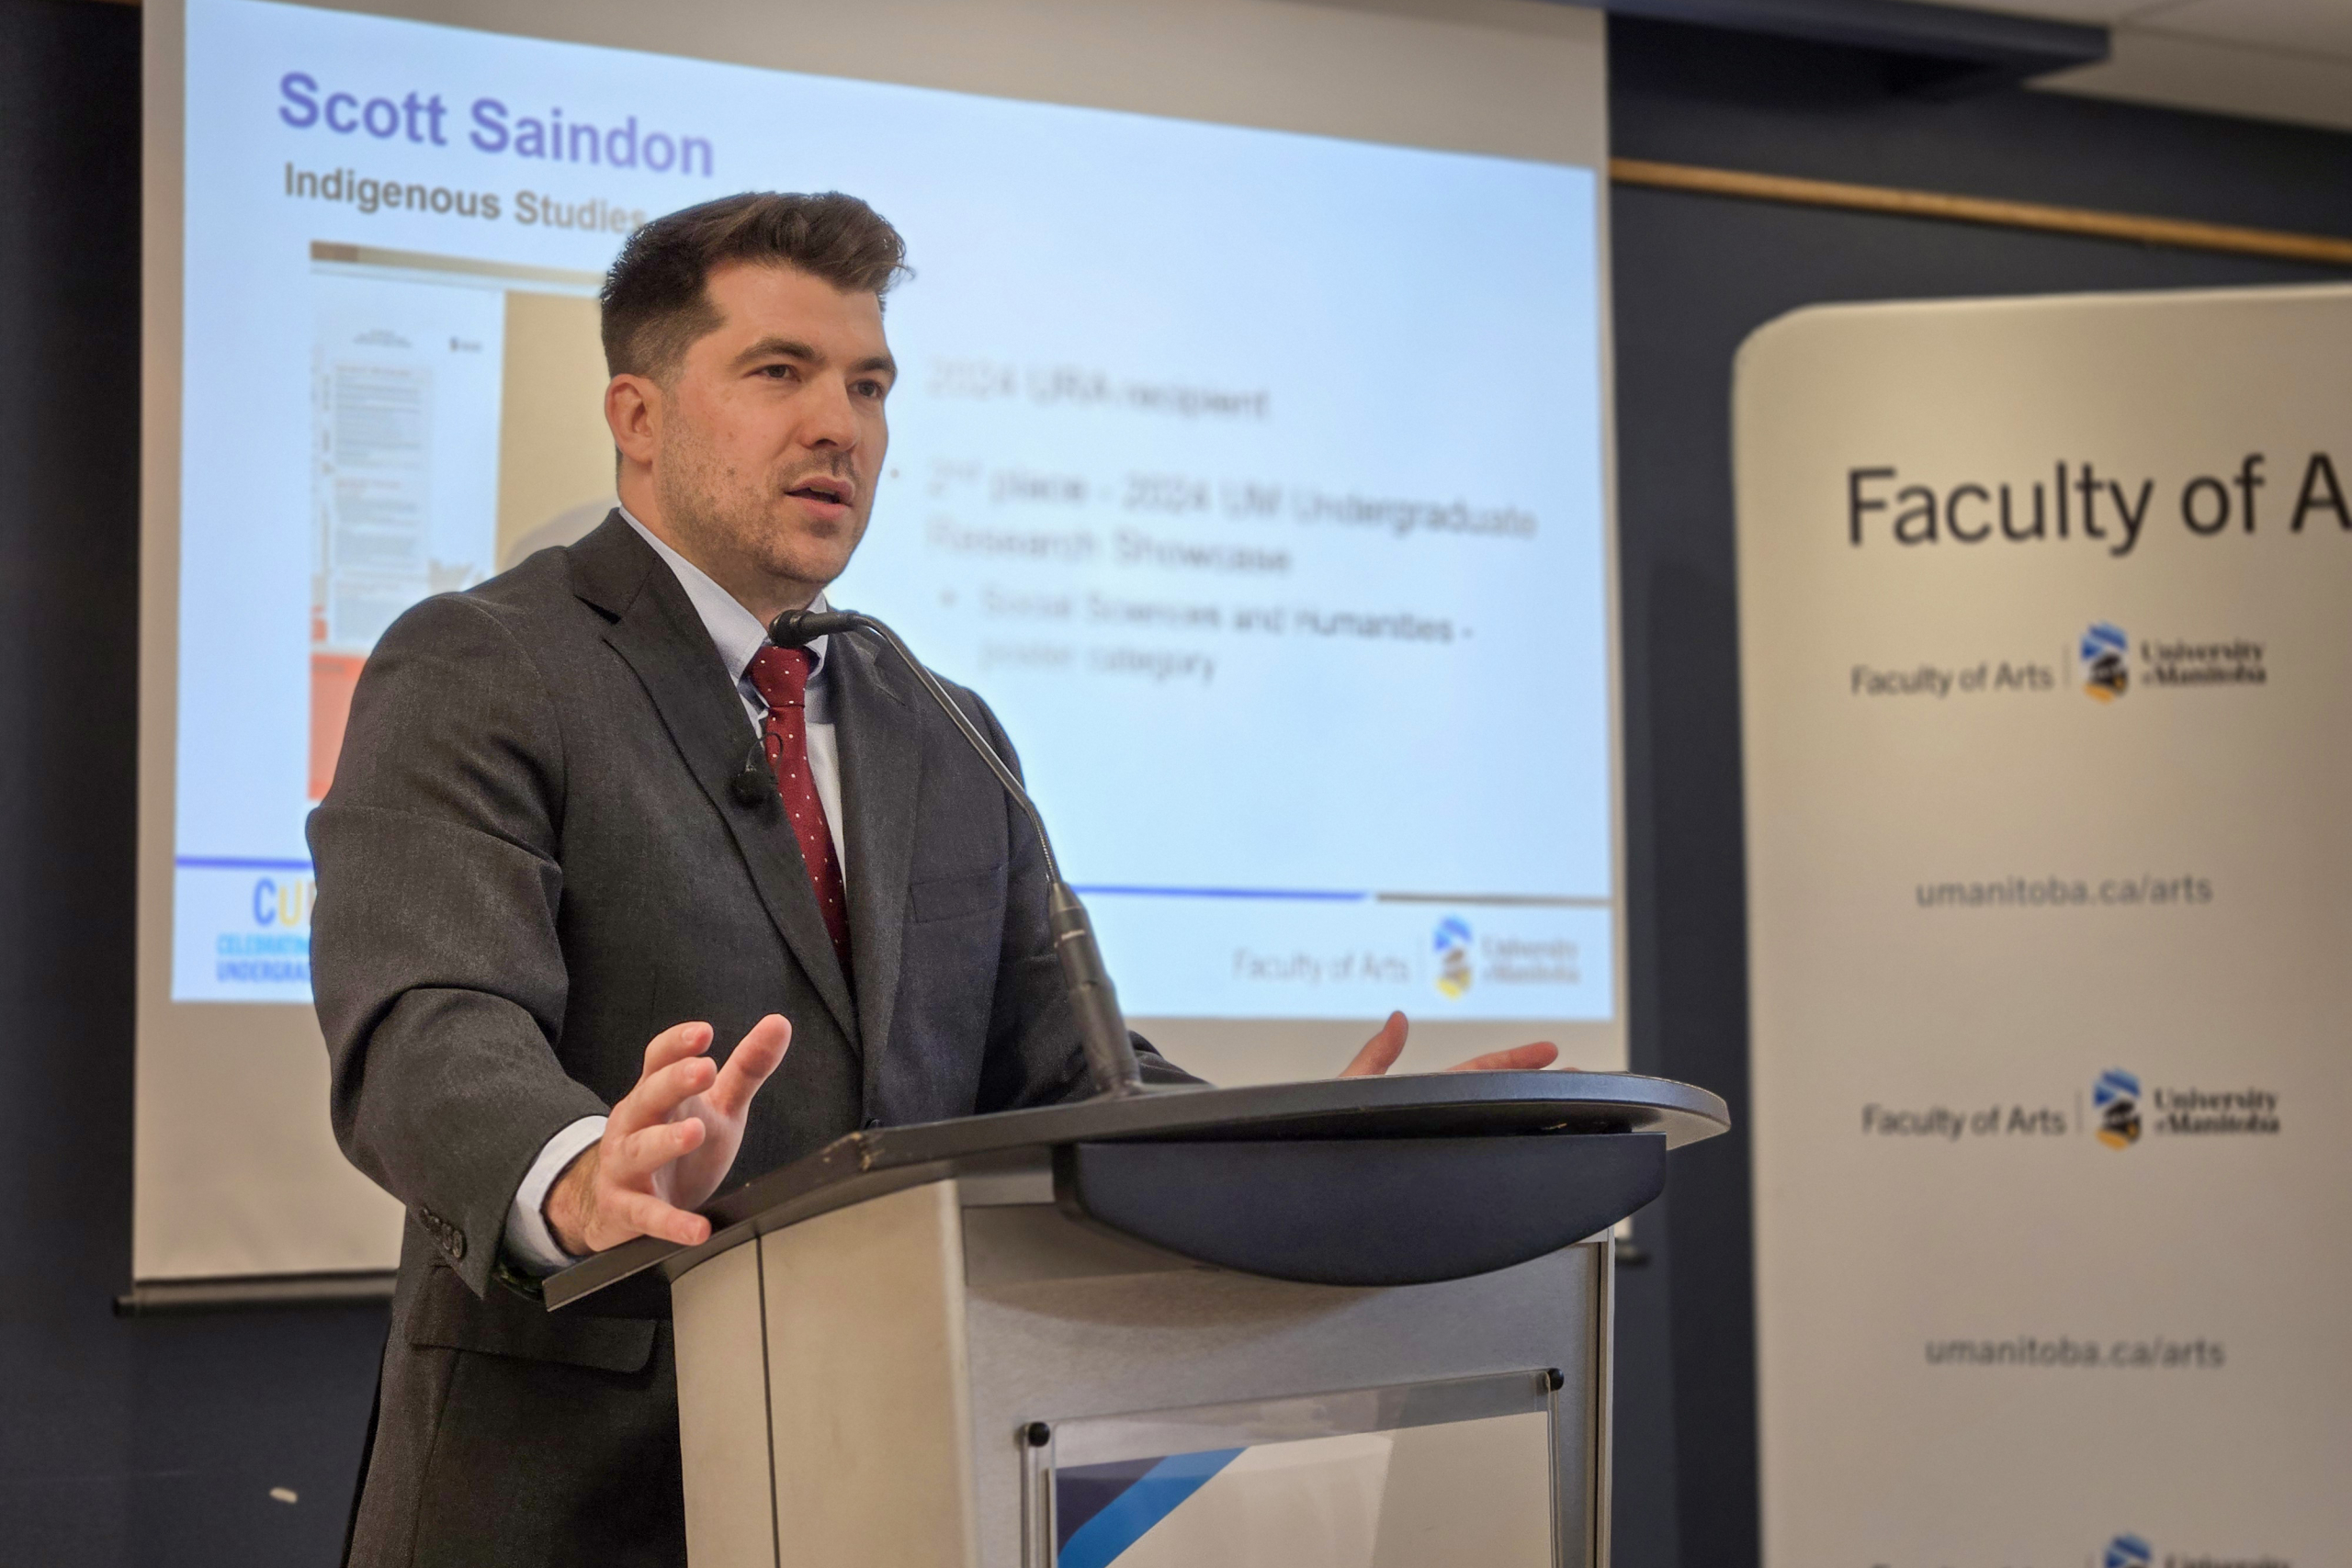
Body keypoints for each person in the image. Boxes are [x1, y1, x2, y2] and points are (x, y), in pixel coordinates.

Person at [310, 190, 1556, 1565]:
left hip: (897, 1473)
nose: (839, 424)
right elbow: (429, 1017)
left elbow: (1071, 1078)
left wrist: (1306, 1150)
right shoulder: (487, 662)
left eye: (869, 384)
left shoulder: (940, 721)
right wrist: (576, 1177)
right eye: (779, 372)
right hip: (574, 1496)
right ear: (638, 416)